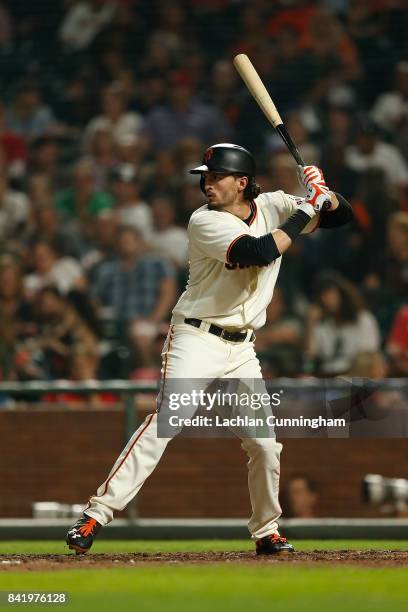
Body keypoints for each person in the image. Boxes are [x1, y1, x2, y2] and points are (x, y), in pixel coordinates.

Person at [66, 143, 353, 556]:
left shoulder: (273, 204)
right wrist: (309, 207)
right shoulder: (204, 221)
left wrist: (326, 193)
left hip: (242, 348)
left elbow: (341, 217)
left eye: (216, 176)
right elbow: (258, 252)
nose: (207, 184)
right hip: (196, 338)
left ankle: (266, 531)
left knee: (263, 443)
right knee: (169, 419)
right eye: (205, 177)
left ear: (242, 182)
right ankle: (95, 515)